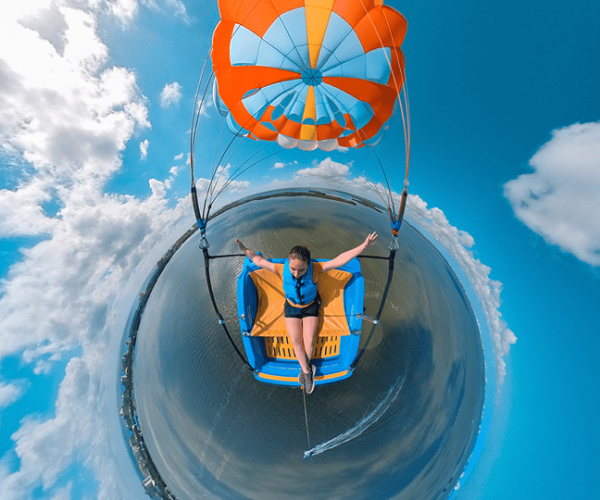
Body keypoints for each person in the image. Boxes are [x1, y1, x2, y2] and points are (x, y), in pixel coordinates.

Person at [235, 232, 378, 393]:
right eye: (293, 269)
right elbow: (259, 260)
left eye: (301, 270)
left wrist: (364, 246)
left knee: (309, 340)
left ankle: (305, 370)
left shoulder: (316, 269)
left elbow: (340, 260)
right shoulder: (281, 269)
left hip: (310, 307)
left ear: (308, 265)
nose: (296, 274)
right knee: (296, 341)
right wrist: (244, 249)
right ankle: (308, 371)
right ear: (288, 263)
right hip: (291, 307)